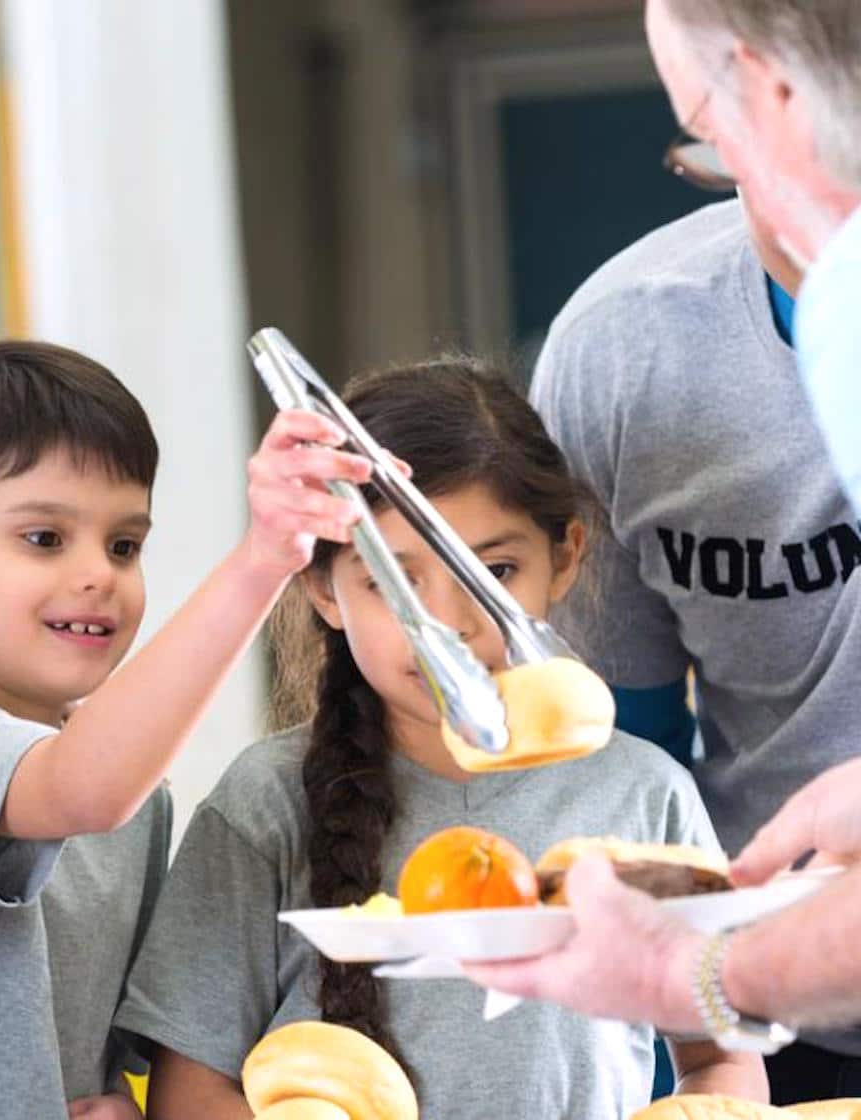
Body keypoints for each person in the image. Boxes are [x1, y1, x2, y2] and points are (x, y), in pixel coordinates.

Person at [112, 358, 767, 1120]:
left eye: (495, 570)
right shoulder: (265, 802)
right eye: (393, 583)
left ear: (564, 559)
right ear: (324, 588)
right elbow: (188, 1095)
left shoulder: (643, 794)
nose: (448, 626)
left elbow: (723, 1060)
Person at [0, 341, 372, 1119]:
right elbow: (80, 787)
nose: (100, 574)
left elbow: (114, 1043)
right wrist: (262, 561)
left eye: (125, 545)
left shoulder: (136, 797)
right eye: (45, 539)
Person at [468, 0, 861, 1102]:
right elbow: (619, 766)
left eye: (709, 133)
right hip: (787, 1023)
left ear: (772, 99)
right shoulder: (627, 352)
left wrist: (693, 974)